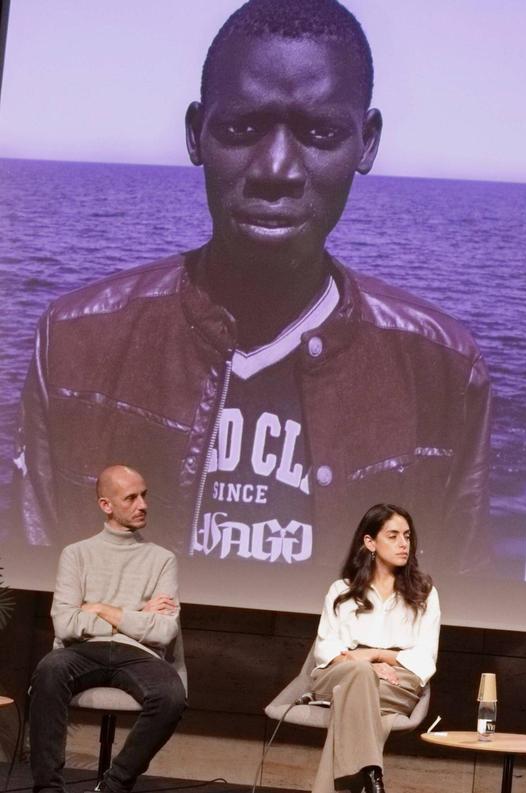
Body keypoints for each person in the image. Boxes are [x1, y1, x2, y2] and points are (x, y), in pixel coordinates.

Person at [15, 0, 492, 576]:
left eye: (321, 132)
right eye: (242, 128)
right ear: (196, 134)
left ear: (365, 144)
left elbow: (454, 603)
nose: (276, 168)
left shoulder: (442, 370)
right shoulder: (74, 343)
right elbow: (29, 585)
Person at [29, 465, 186, 793]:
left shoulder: (162, 560)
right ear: (106, 505)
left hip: (139, 655)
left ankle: (113, 787)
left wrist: (101, 608)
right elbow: (66, 624)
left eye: (144, 495)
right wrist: (137, 614)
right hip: (81, 651)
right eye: (131, 498)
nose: (142, 504)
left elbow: (163, 632)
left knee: (171, 695)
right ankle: (48, 789)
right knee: (48, 672)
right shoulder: (77, 555)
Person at [308, 503, 440, 793]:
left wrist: (379, 656)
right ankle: (371, 773)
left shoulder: (424, 593)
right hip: (340, 673)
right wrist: (364, 666)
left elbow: (425, 656)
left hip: (398, 680)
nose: (403, 543)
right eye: (393, 536)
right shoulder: (341, 591)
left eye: (407, 536)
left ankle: (369, 776)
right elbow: (326, 649)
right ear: (370, 542)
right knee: (358, 677)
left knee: (352, 700)